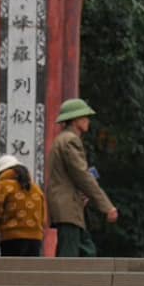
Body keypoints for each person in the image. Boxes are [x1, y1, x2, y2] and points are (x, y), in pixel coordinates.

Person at [46, 97, 116, 258]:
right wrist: (106, 206)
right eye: (85, 117)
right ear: (76, 119)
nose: (88, 121)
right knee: (69, 255)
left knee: (86, 249)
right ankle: (62, 283)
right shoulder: (70, 140)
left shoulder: (63, 140)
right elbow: (83, 176)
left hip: (70, 206)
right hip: (67, 207)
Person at [0, 155, 47, 256]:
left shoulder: (5, 186)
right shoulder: (36, 189)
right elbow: (43, 218)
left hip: (11, 238)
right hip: (35, 239)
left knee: (12, 270)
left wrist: (2, 222)